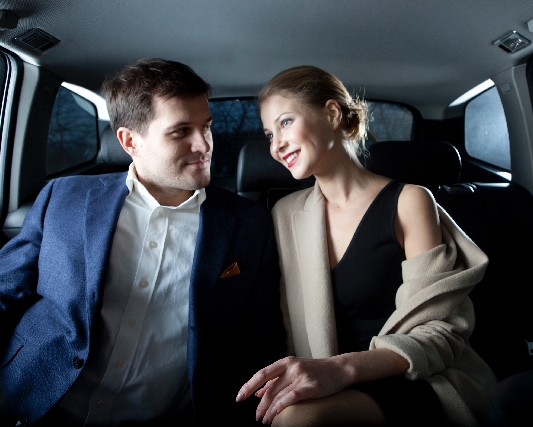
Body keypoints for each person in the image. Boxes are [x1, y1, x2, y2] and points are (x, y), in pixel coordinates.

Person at [0, 58, 286, 426]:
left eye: (206, 126)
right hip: (31, 405)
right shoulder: (64, 197)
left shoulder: (249, 224)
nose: (204, 144)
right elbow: (6, 288)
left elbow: (261, 338)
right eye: (181, 131)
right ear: (129, 141)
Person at [236, 65, 497, 426]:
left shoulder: (409, 202)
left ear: (332, 114)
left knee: (297, 420)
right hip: (326, 384)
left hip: (414, 377)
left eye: (285, 123)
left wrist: (342, 369)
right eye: (269, 134)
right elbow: (280, 326)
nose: (275, 145)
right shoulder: (285, 214)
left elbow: (441, 331)